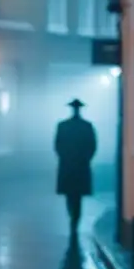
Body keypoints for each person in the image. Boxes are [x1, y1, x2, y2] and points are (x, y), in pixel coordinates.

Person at [53, 98, 97, 231]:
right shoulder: (87, 126)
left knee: (70, 194)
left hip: (67, 165)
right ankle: (75, 218)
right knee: (77, 195)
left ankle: (73, 217)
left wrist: (64, 157)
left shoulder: (63, 126)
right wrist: (86, 158)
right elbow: (92, 145)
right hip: (81, 165)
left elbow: (57, 145)